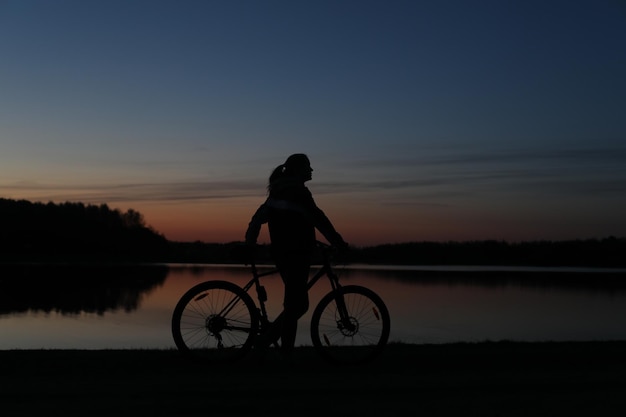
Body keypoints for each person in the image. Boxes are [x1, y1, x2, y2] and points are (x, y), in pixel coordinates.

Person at [245, 153, 348, 358]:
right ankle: (283, 352)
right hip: (295, 255)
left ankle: (269, 340)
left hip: (285, 253)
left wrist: (250, 241)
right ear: (298, 170)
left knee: (297, 304)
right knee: (296, 306)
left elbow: (259, 217)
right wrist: (338, 243)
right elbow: (319, 218)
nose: (311, 170)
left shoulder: (279, 191)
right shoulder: (297, 192)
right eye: (308, 166)